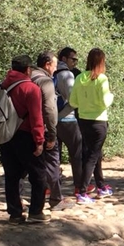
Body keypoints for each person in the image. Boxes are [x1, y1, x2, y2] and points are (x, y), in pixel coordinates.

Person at [0, 55, 47, 223]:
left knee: (11, 175)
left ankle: (15, 213)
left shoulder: (2, 86)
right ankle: (36, 212)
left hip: (6, 136)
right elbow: (36, 117)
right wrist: (39, 140)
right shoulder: (30, 88)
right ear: (28, 69)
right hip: (26, 136)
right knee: (39, 174)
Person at [70, 48, 114, 200]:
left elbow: (73, 102)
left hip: (83, 120)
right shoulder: (102, 79)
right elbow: (105, 102)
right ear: (101, 62)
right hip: (98, 120)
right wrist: (111, 96)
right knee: (92, 156)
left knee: (96, 153)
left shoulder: (79, 78)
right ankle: (82, 191)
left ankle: (101, 186)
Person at [32, 51, 71, 211]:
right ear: (47, 64)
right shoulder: (45, 82)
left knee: (24, 167)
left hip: (27, 129)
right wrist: (52, 134)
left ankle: (17, 201)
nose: (55, 69)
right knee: (52, 164)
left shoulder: (28, 78)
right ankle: (55, 199)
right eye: (55, 65)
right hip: (44, 129)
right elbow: (49, 109)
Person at [54, 47, 87, 204]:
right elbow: (74, 99)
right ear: (64, 59)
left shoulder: (51, 73)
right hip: (67, 120)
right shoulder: (67, 74)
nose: (75, 62)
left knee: (55, 156)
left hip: (53, 121)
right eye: (73, 59)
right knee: (77, 153)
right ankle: (79, 187)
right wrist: (62, 115)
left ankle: (53, 187)